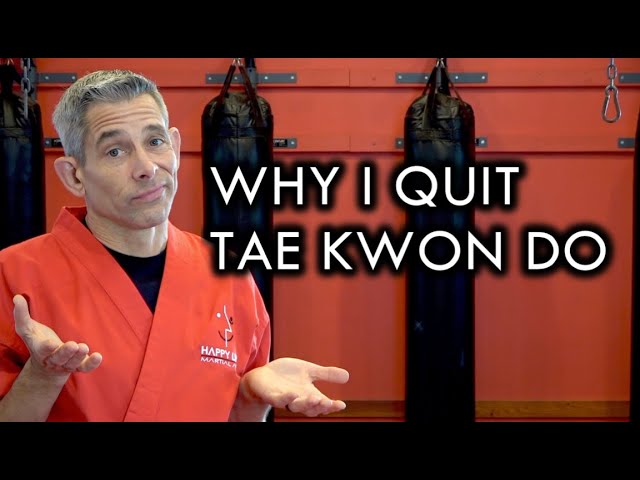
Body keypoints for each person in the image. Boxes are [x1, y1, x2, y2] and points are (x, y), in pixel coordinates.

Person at [0, 69, 349, 422]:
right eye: (115, 151)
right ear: (74, 176)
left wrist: (250, 399)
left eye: (155, 142)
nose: (147, 168)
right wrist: (42, 377)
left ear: (176, 147)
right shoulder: (13, 277)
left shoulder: (231, 278)